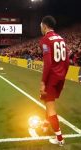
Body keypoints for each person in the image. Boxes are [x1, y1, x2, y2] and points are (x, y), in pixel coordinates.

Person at [39, 16, 69, 146]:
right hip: (60, 77)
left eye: (40, 25)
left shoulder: (45, 40)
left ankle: (60, 139)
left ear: (44, 26)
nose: (40, 27)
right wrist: (62, 75)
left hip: (51, 78)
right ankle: (46, 124)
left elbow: (48, 63)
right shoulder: (61, 39)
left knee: (50, 106)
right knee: (48, 101)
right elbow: (67, 61)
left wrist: (43, 82)